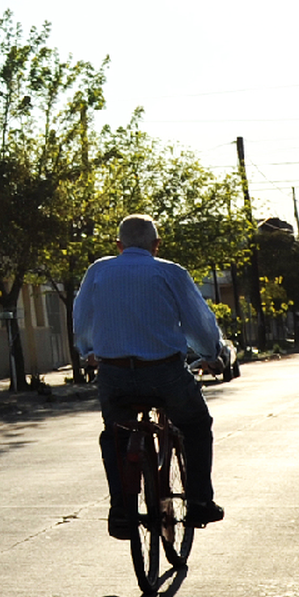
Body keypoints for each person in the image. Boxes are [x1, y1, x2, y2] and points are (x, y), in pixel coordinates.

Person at [73, 213, 226, 540]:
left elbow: (82, 317)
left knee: (115, 434)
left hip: (113, 375)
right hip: (165, 374)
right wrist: (211, 354)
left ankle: (121, 511)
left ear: (119, 245)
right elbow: (199, 323)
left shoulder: (98, 270)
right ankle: (199, 501)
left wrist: (87, 349)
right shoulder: (170, 272)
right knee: (196, 425)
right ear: (157, 245)